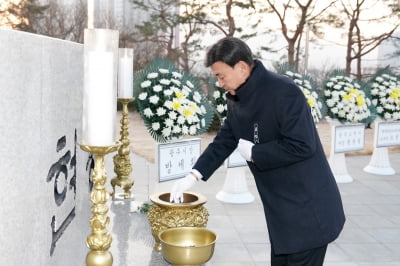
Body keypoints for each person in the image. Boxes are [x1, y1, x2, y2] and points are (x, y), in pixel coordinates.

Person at [170, 37, 345, 266]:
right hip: (282, 211)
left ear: (242, 67)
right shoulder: (238, 96)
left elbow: (302, 145)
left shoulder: (283, 91)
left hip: (307, 209)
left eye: (221, 76)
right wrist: (193, 176)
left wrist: (256, 153)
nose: (220, 83)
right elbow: (225, 140)